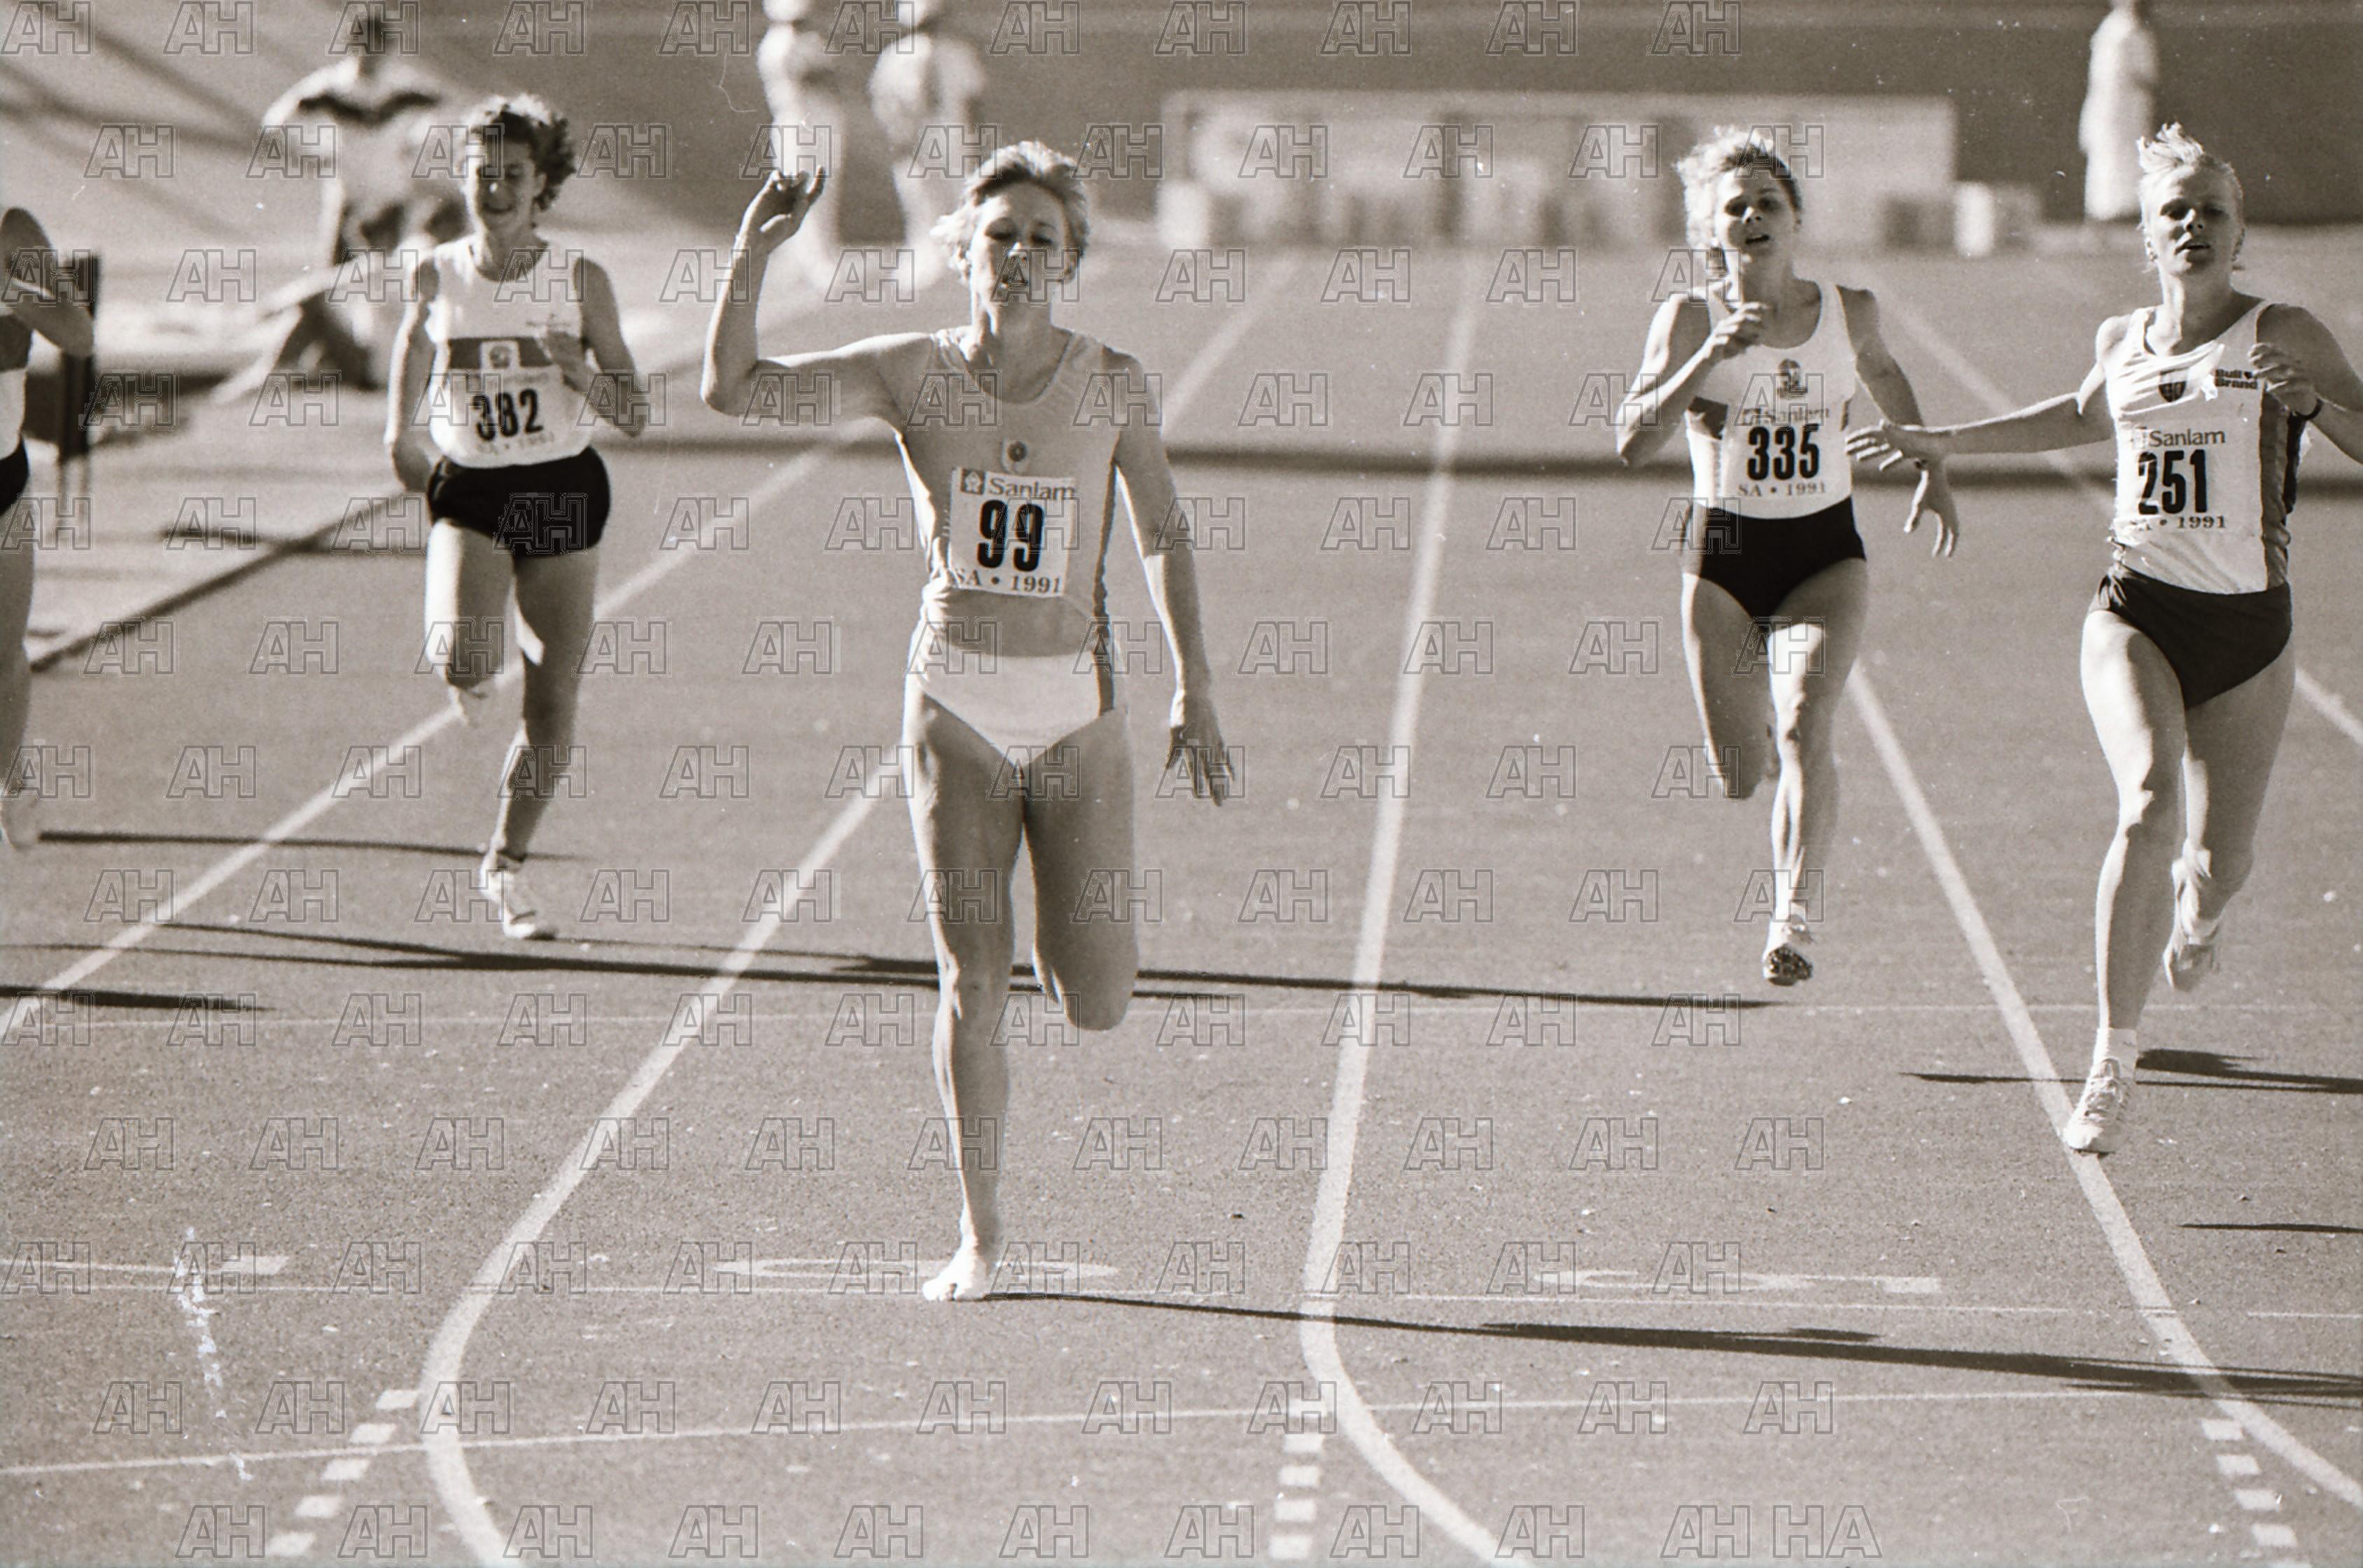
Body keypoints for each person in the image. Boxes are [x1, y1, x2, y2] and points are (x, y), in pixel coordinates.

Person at [703, 144, 1232, 1301]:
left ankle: (1065, 920)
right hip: (956, 701)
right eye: (1001, 234)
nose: (1021, 254)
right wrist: (753, 252)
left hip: (1075, 709)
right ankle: (982, 1237)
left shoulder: (1113, 382)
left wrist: (1194, 681)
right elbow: (736, 390)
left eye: (1044, 238)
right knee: (970, 981)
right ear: (964, 252)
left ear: (1071, 262)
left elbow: (1163, 531)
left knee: (1097, 998)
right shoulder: (912, 372)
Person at [1851, 126, 2362, 1155]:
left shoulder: (2285, 332)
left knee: (2220, 860)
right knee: (2148, 804)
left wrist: (2315, 406)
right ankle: (2111, 1063)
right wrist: (1942, 443)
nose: (2193, 226)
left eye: (2212, 212)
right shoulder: (2121, 338)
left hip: (2250, 633)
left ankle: (2198, 917)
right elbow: (2081, 415)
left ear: (2240, 232)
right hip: (2137, 613)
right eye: (2175, 212)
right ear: (2148, 236)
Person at [1615, 130, 1960, 986]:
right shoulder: (1689, 318)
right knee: (1738, 776)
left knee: (1810, 723)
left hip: (1822, 551)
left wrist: (1931, 463)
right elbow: (1632, 443)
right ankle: (1754, 741)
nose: (1751, 217)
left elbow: (1883, 373)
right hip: (1724, 556)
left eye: (1767, 202)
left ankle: (1792, 918)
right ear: (1710, 232)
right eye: (1733, 208)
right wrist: (1710, 357)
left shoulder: (1849, 310)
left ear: (1795, 218)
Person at [385, 96, 648, 938]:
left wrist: (579, 370)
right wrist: (398, 431)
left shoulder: (580, 279)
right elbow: (414, 346)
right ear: (463, 180)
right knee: (463, 656)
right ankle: (466, 669)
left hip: (561, 485)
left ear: (542, 185)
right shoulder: (437, 273)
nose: (495, 190)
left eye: (512, 175)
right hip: (473, 484)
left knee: (552, 700)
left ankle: (505, 863)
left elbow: (636, 412)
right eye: (482, 174)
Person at [231, 5, 463, 397]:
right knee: (338, 286)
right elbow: (275, 125)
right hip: (349, 203)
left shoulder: (405, 87)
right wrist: (317, 159)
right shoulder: (334, 87)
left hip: (393, 204)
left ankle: (359, 363)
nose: (376, 52)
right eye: (369, 43)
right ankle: (322, 362)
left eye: (383, 43)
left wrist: (417, 160)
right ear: (355, 43)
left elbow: (454, 117)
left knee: (378, 285)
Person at [0, 205, 97, 850]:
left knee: (5, 651)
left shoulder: (13, 233)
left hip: (2, 477)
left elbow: (79, 334)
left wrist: (11, 293)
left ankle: (11, 781)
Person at [869, 0, 988, 291]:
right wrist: (898, 136)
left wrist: (977, 141)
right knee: (922, 201)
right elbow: (884, 102)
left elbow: (974, 101)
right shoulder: (895, 57)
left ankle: (965, 262)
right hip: (918, 136)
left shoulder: (957, 54)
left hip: (950, 134)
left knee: (959, 198)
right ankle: (926, 264)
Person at [2080, 0, 2159, 230]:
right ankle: (2097, 224)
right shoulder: (2119, 31)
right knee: (2108, 162)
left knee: (2130, 162)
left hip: (2126, 109)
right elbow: (2140, 77)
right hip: (2114, 108)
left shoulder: (2129, 30)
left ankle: (2126, 222)